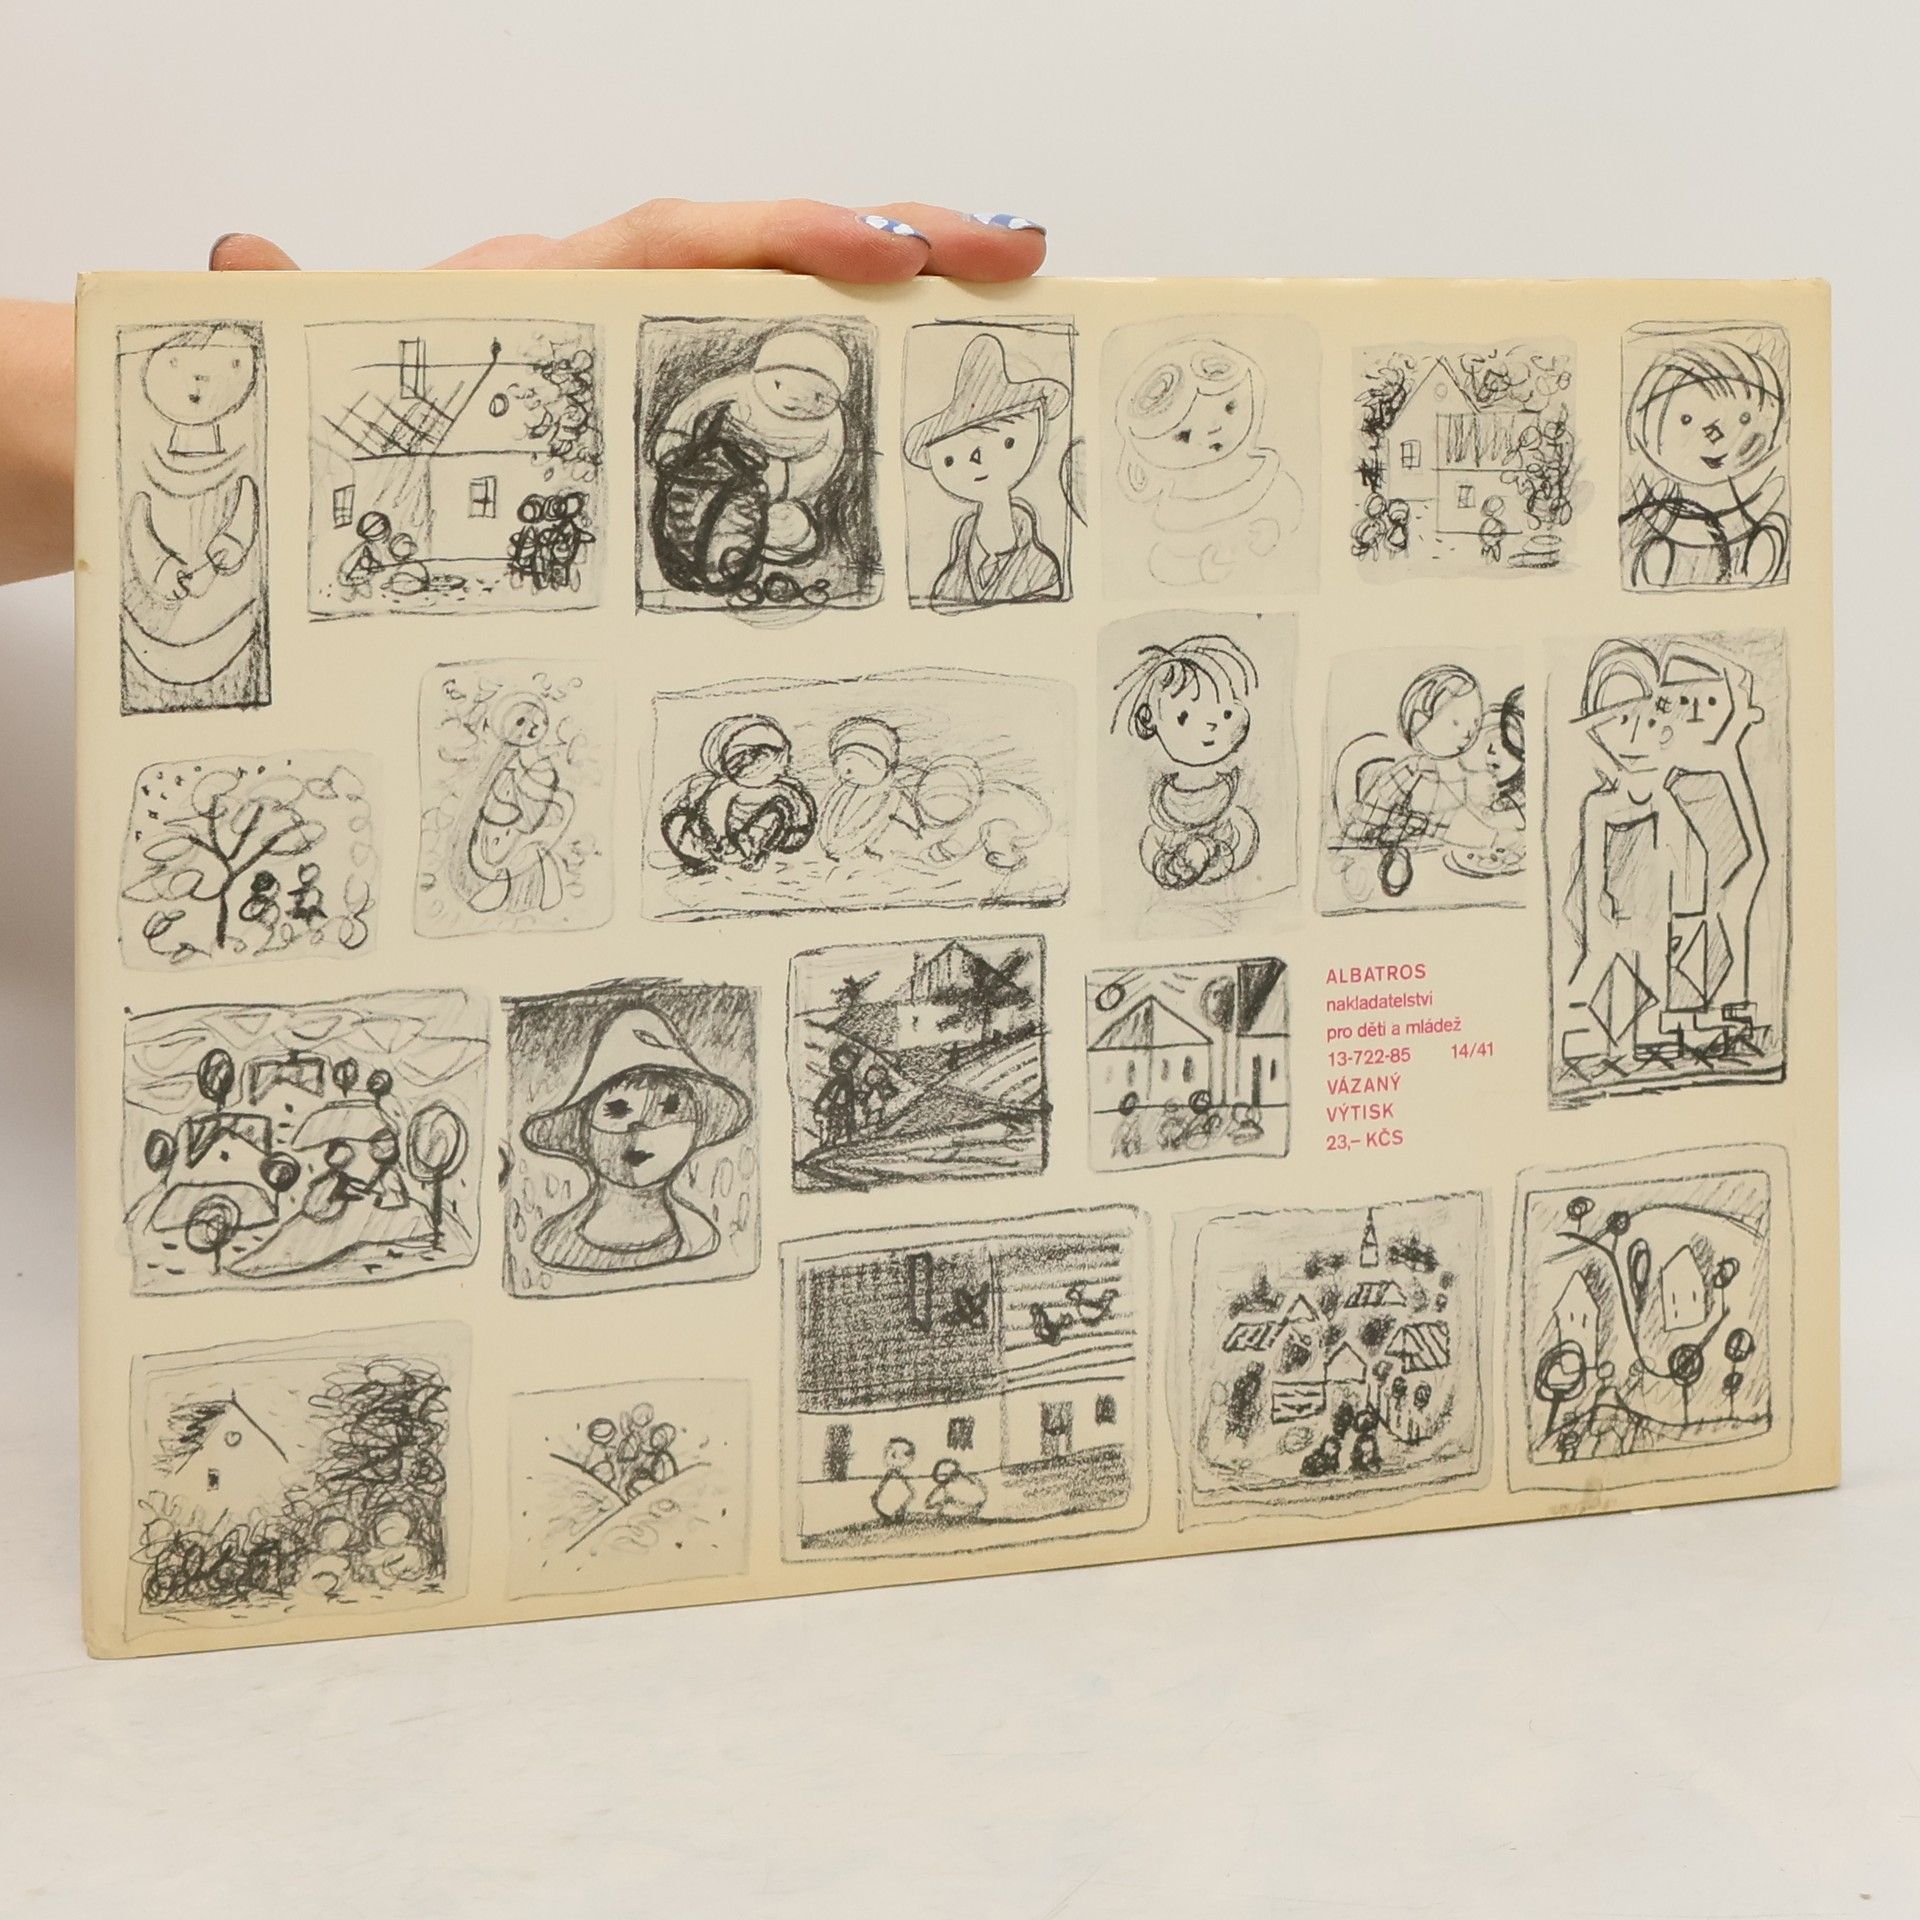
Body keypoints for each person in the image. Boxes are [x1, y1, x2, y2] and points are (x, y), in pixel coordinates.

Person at [0, 199, 1050, 592]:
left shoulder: (821, 442)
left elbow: (821, 462)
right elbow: (690, 419)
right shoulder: (731, 394)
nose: (799, 397)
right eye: (788, 378)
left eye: (816, 390)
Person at [519, 1003, 752, 1274]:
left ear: (696, 1127)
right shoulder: (555, 1245)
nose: (639, 1128)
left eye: (670, 1109)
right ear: (583, 1129)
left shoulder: (700, 1240)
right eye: (617, 1110)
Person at [1113, 335, 1302, 585]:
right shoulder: (1175, 511)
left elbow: (1293, 513)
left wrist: (1273, 532)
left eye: (1230, 408)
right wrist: (1200, 568)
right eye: (1184, 435)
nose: (1214, 429)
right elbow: (1162, 561)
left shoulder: (1265, 474)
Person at [904, 331, 1068, 608]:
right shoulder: (947, 582)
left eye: (1007, 442)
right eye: (950, 459)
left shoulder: (1043, 571)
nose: (977, 462)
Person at [1620, 330, 1789, 588]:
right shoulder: (1643, 527)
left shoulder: (1763, 527)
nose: (1717, 438)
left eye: (1743, 419)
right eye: (1686, 419)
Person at [1110, 632, 1262, 891]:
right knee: (1151, 840)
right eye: (1184, 717)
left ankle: (1205, 861)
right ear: (1149, 722)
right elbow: (1153, 842)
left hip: (1222, 850)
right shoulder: (1163, 806)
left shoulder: (1231, 799)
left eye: (1226, 712)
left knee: (1244, 826)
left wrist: (1214, 850)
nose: (1211, 725)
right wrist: (1168, 863)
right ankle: (1175, 869)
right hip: (1173, 850)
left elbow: (1243, 837)